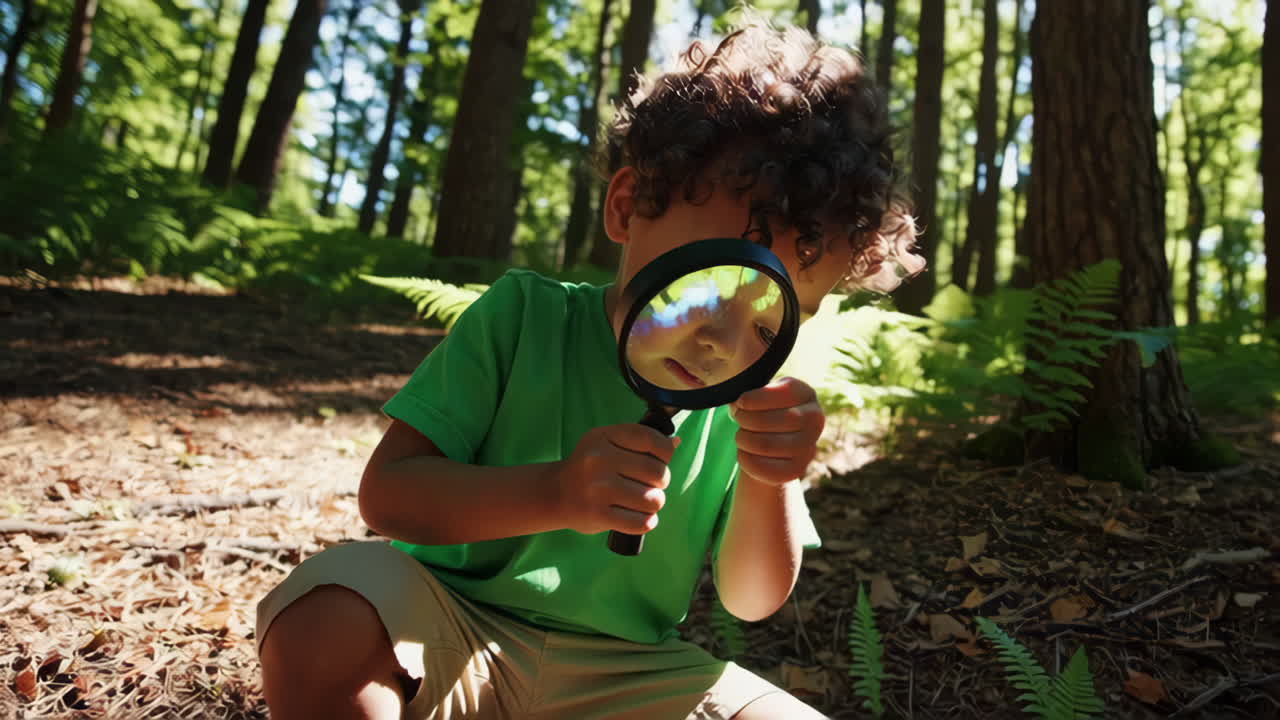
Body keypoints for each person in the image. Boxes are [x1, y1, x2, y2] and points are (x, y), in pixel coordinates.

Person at [255, 18, 922, 720]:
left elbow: (751, 600)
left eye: (768, 322)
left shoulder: (744, 404)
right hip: (448, 626)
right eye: (706, 286)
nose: (725, 345)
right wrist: (556, 493)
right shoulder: (523, 320)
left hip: (625, 673)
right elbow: (388, 497)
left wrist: (771, 480)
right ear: (629, 206)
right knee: (326, 613)